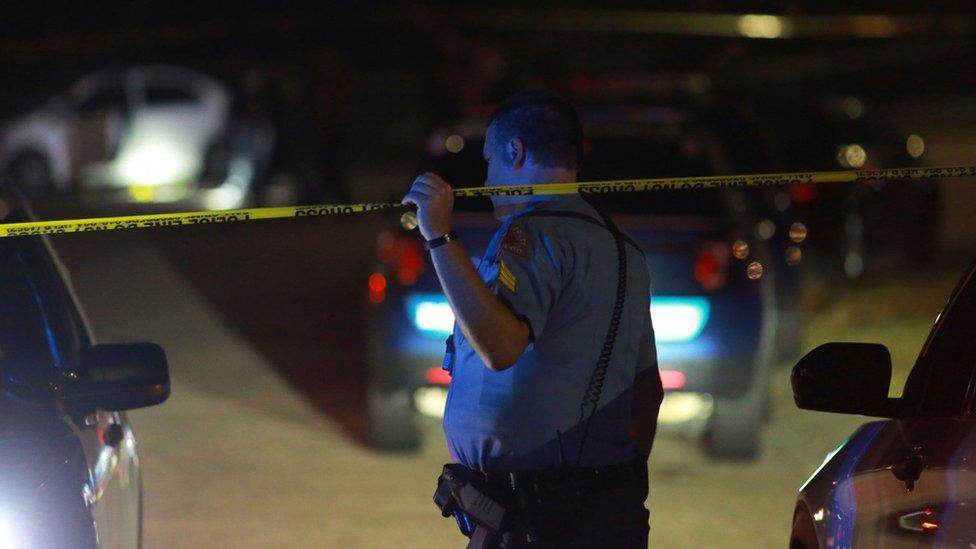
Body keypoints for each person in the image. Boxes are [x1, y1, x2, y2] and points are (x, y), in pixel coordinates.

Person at [402, 92, 664, 548]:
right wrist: (606, 485)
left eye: (489, 162)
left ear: (514, 152)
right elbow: (648, 390)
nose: (487, 179)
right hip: (607, 513)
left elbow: (501, 347)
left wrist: (439, 236)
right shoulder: (625, 252)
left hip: (534, 524)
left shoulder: (532, 235)